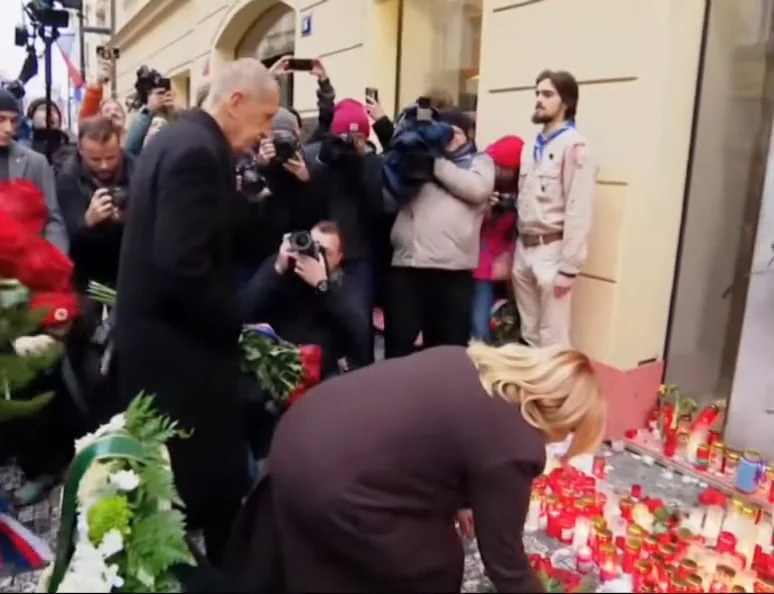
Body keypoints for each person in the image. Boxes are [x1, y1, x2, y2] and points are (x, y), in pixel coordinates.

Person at [221, 342, 606, 593]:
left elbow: (428, 434)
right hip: (332, 480)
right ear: (561, 414)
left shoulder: (470, 362)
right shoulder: (515, 443)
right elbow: (505, 562)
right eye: (571, 430)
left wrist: (460, 502)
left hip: (300, 433)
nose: (562, 440)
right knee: (434, 565)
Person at [114, 57, 280, 565]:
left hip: (162, 345)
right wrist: (233, 320)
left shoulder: (181, 139)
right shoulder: (196, 153)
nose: (265, 132)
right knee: (205, 484)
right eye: (265, 117)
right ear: (235, 102)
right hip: (180, 357)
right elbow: (181, 265)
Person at [385, 109, 495, 358]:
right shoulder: (417, 157)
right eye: (445, 132)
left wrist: (434, 163)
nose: (451, 138)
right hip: (408, 266)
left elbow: (477, 190)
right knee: (398, 344)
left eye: (456, 133)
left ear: (468, 135)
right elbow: (390, 194)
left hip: (452, 271)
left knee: (447, 349)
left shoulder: (479, 162)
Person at [512, 70, 597, 348]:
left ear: (566, 102)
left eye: (547, 94)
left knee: (553, 340)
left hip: (552, 251)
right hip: (524, 247)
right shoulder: (530, 146)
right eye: (537, 93)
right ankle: (533, 391)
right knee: (530, 333)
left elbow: (579, 208)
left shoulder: (574, 146)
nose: (539, 100)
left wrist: (569, 268)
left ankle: (557, 392)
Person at [240, 221, 371, 377]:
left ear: (339, 257)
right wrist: (276, 270)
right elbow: (243, 309)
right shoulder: (283, 269)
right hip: (278, 365)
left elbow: (360, 336)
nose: (316, 256)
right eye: (313, 247)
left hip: (323, 372)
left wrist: (323, 287)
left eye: (324, 252)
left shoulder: (342, 284)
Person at [56, 116, 133, 290]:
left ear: (120, 146)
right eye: (95, 160)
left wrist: (129, 217)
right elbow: (63, 235)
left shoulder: (136, 169)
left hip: (128, 269)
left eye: (111, 157)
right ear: (81, 150)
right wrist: (87, 221)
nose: (104, 166)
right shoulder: (68, 177)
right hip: (86, 274)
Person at [0, 87, 68, 254]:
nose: (9, 128)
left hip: (23, 265)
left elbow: (53, 219)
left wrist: (53, 258)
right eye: (1, 120)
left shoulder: (36, 163)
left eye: (14, 121)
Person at [472, 135, 523, 342]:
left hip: (506, 266)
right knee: (478, 322)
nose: (496, 171)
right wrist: (486, 209)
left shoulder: (524, 194)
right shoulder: (482, 185)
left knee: (499, 324)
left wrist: (509, 257)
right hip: (478, 265)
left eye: (502, 167)